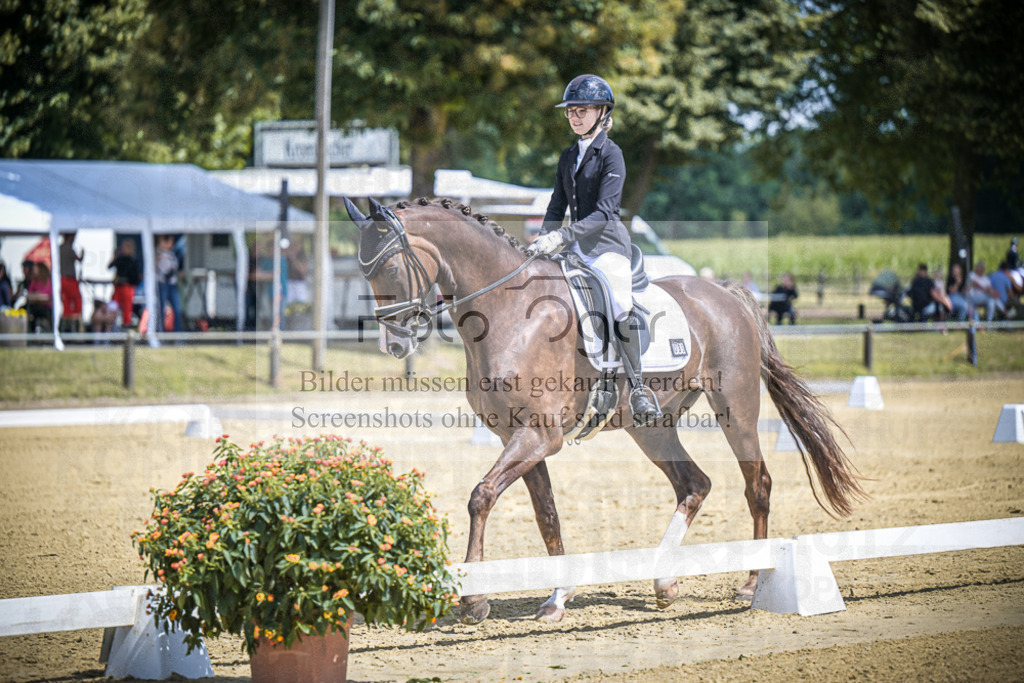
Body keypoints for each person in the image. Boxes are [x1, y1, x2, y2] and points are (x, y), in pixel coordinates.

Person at [527, 73, 661, 425]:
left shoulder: (612, 155)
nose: (574, 116)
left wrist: (563, 237)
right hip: (573, 250)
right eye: (570, 111)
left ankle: (637, 388)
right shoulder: (568, 156)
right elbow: (556, 208)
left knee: (619, 304)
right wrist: (545, 238)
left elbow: (605, 212)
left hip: (607, 248)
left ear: (602, 112)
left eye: (582, 110)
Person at [109, 240, 140, 328]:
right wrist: (114, 256)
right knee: (113, 306)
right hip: (118, 287)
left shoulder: (133, 261)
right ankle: (111, 325)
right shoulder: (120, 259)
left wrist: (126, 280)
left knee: (127, 308)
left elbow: (134, 277)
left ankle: (126, 325)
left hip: (127, 287)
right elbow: (110, 266)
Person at [156, 234, 182, 332]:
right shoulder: (157, 254)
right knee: (162, 309)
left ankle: (178, 334)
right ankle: (160, 333)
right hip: (163, 283)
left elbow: (174, 267)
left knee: (177, 309)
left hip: (172, 283)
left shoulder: (172, 254)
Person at [59, 232, 84, 329]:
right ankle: (76, 323)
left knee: (66, 304)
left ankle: (66, 326)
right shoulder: (69, 248)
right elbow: (79, 259)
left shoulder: (59, 248)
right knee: (77, 300)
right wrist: (82, 254)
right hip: (70, 280)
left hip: (62, 279)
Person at [26, 262, 53, 331]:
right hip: (36, 305)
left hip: (46, 307)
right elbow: (29, 295)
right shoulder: (34, 280)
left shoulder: (48, 281)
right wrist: (37, 296)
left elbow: (48, 297)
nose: (33, 271)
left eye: (35, 269)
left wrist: (37, 296)